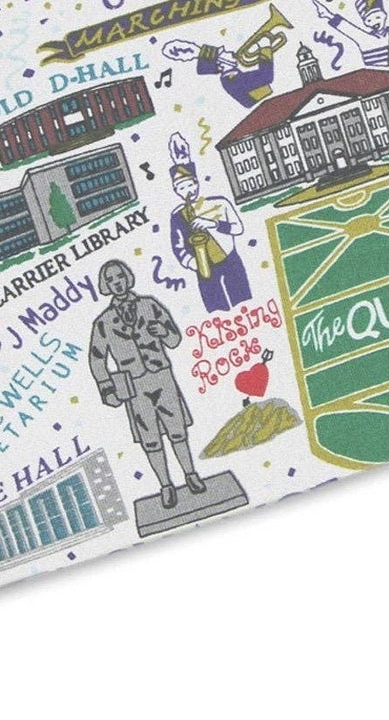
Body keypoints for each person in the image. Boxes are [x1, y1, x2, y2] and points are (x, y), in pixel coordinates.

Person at [87, 259, 205, 509]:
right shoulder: (104, 322)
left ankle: (190, 474)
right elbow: (97, 359)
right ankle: (166, 485)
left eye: (120, 277)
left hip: (161, 375)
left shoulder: (149, 305)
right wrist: (107, 389)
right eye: (110, 280)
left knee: (177, 430)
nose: (117, 283)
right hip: (133, 386)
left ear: (128, 277)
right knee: (150, 438)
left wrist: (162, 331)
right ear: (105, 285)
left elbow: (174, 339)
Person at [165, 131, 250, 312]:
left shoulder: (219, 202)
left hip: (230, 258)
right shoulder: (177, 216)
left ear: (197, 183)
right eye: (181, 187)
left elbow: (238, 228)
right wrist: (193, 263)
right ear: (176, 191)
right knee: (216, 310)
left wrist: (213, 224)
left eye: (190, 184)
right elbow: (178, 247)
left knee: (244, 302)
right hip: (203, 266)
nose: (187, 191)